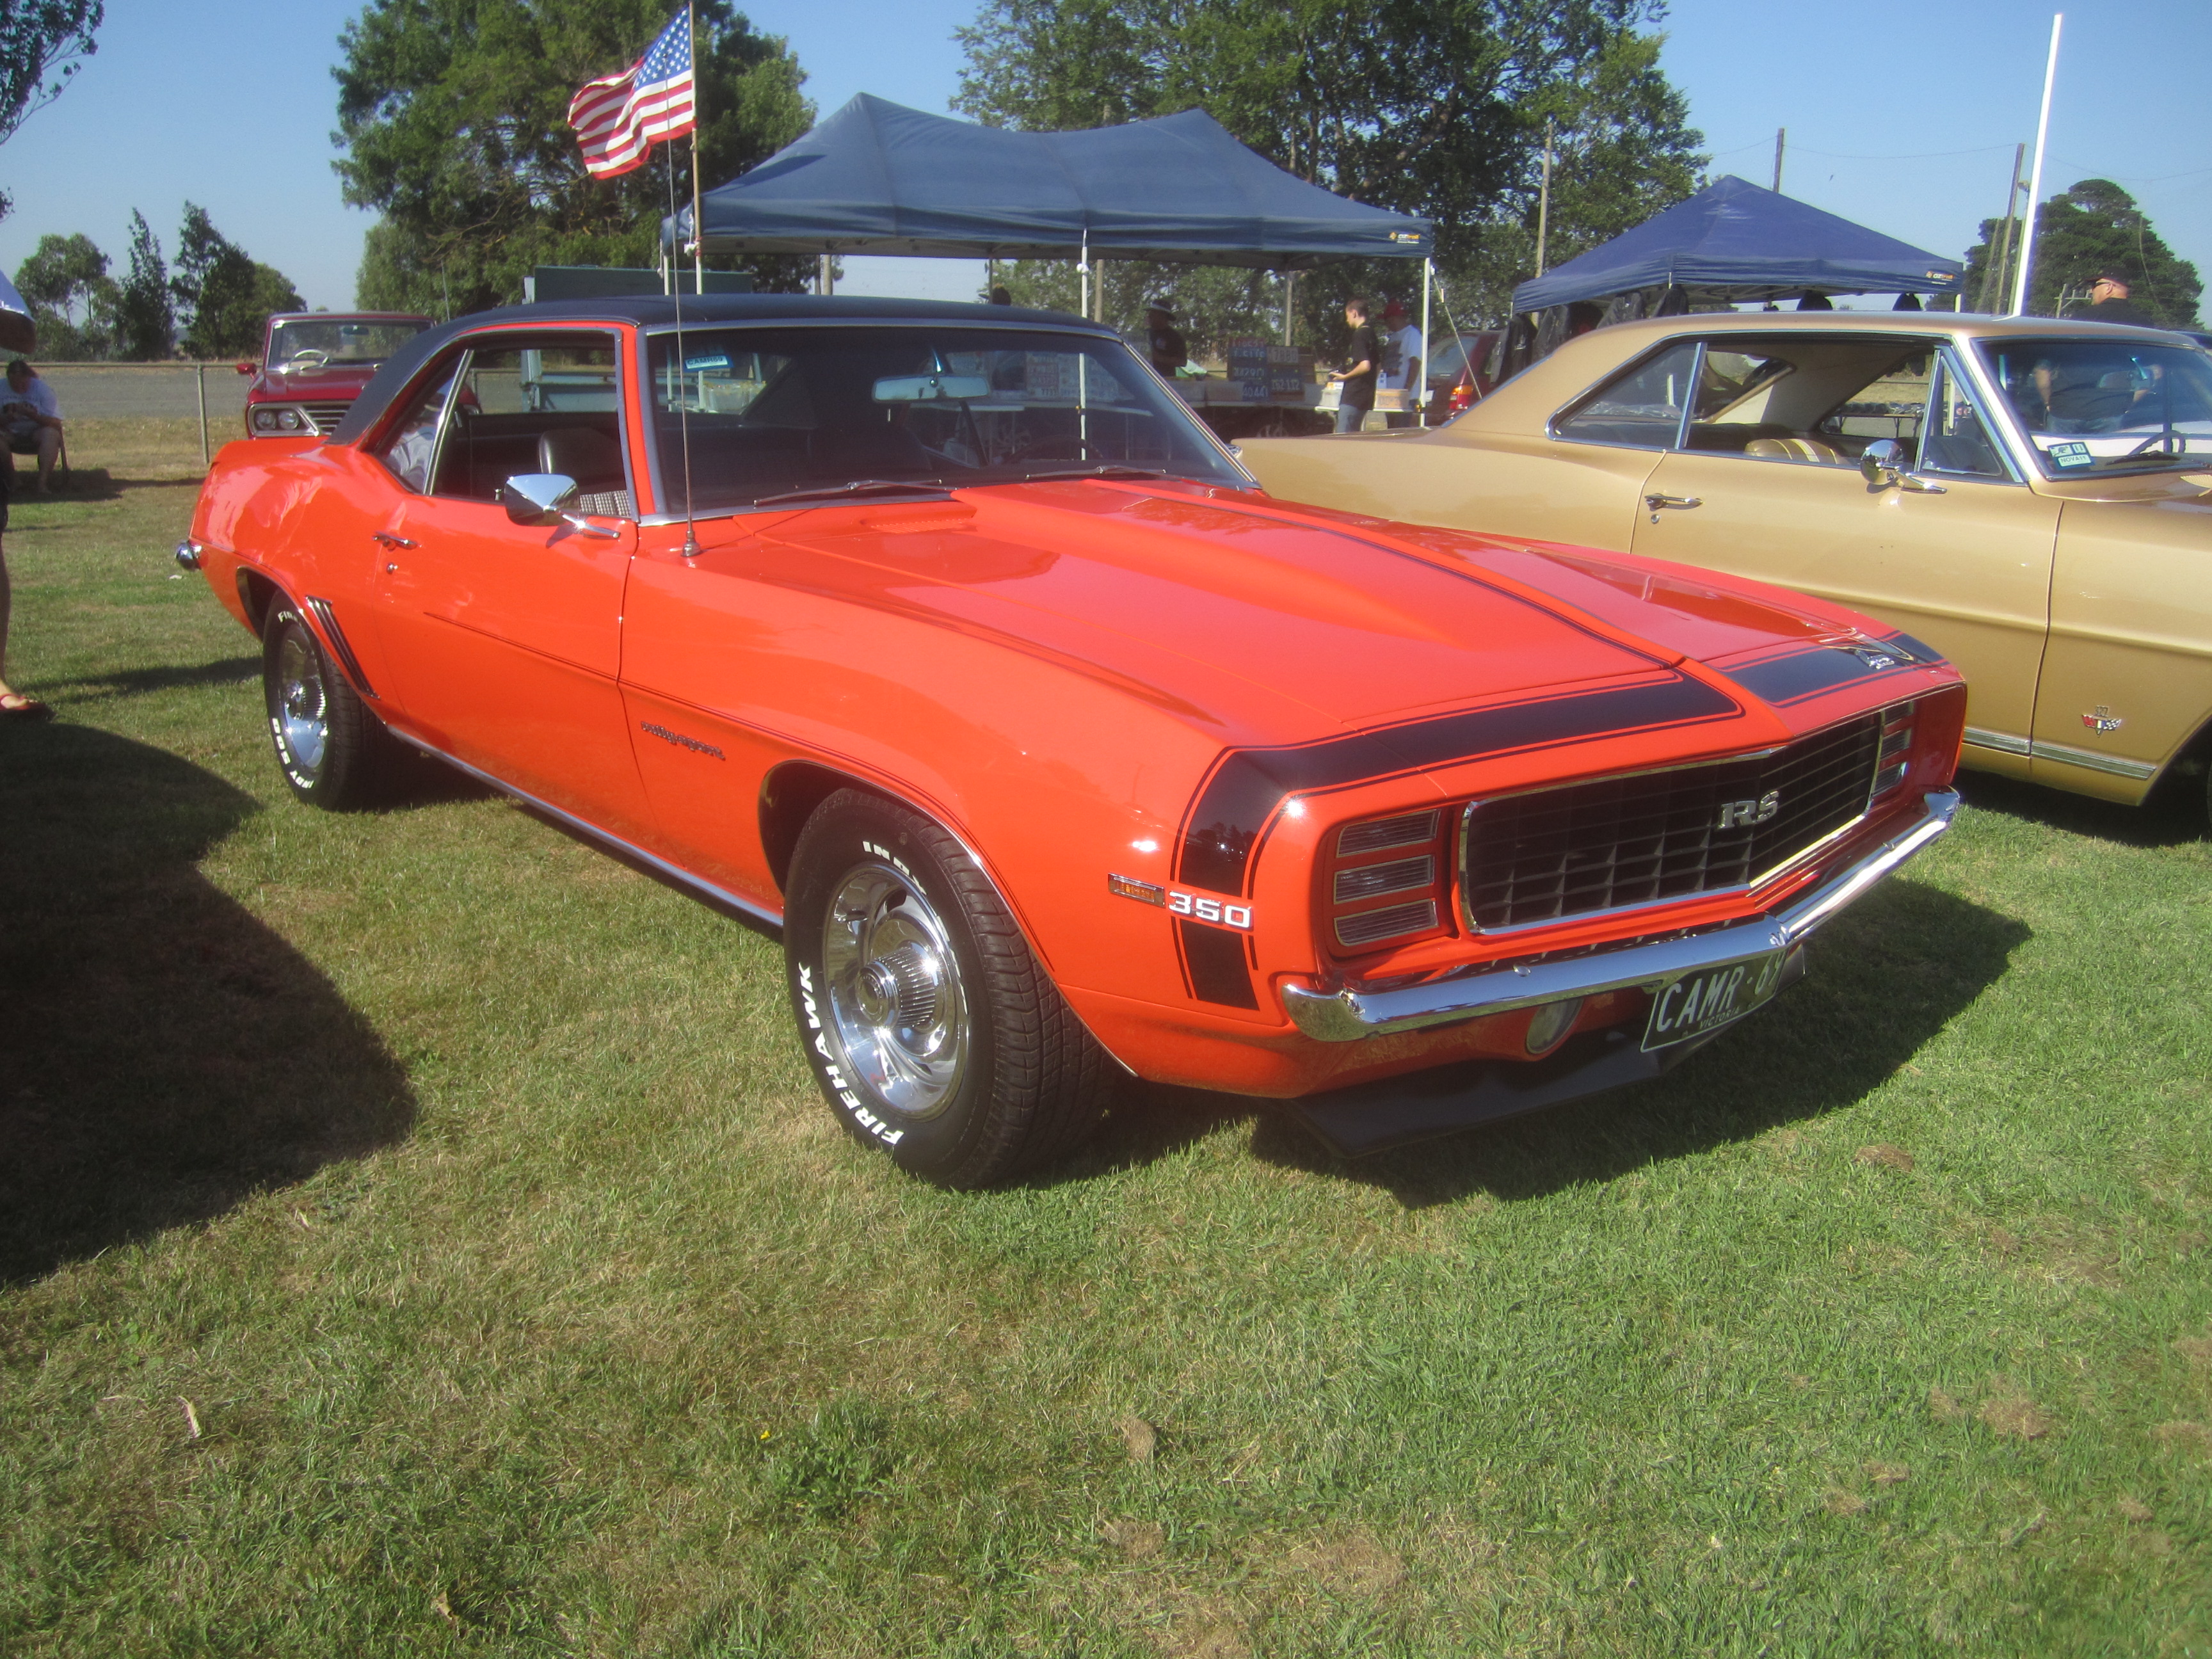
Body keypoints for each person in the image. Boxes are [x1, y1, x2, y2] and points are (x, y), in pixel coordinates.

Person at [1, 359, 62, 495]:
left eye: (23, 384)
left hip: (37, 431)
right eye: (14, 384)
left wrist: (34, 416)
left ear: (29, 378)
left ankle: (42, 483)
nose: (19, 388)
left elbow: (56, 423)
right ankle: (13, 480)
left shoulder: (43, 390)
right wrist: (8, 418)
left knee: (51, 435)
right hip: (8, 432)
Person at [1328, 297, 1379, 433]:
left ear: (1354, 313)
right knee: (1355, 439)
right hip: (1366, 396)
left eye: (1347, 316)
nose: (1347, 320)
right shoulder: (1372, 334)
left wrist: (1345, 377)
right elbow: (1378, 366)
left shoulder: (1360, 334)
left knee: (1343, 438)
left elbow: (1365, 365)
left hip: (1353, 396)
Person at [1379, 298, 1423, 428]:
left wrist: (1406, 390)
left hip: (1404, 396)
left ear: (1393, 318)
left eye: (1386, 320)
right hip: (1391, 396)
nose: (1386, 324)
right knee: (1391, 432)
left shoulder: (1412, 335)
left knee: (1401, 431)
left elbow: (1415, 362)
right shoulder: (1393, 337)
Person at [2082, 269, 2157, 326]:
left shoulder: (2084, 318)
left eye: (2094, 285)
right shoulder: (2145, 323)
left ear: (2109, 287)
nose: (2091, 291)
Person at [1143, 301, 1187, 376]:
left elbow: (1182, 362)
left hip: (1164, 381)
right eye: (1149, 312)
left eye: (1153, 312)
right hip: (1145, 379)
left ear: (1163, 316)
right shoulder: (1145, 334)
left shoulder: (1175, 337)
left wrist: (1159, 358)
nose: (1149, 315)